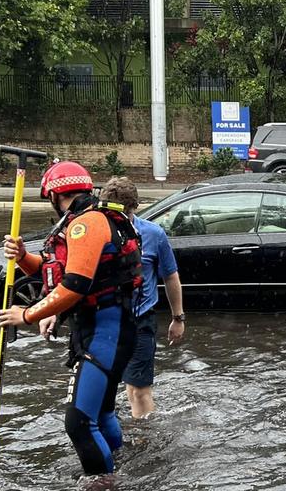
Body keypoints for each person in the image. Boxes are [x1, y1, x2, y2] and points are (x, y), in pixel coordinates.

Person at [0, 160, 142, 478]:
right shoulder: (93, 219)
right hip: (110, 329)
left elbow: (75, 286)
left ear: (53, 194)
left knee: (78, 423)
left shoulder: (85, 224)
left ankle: (104, 483)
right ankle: (123, 469)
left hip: (106, 331)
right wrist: (23, 258)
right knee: (101, 415)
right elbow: (60, 273)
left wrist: (28, 314)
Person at [99, 176, 185, 419]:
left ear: (134, 208)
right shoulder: (94, 233)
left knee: (139, 390)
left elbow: (170, 277)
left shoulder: (153, 234)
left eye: (124, 214)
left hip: (139, 321)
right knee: (116, 385)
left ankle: (146, 441)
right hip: (104, 321)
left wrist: (178, 318)